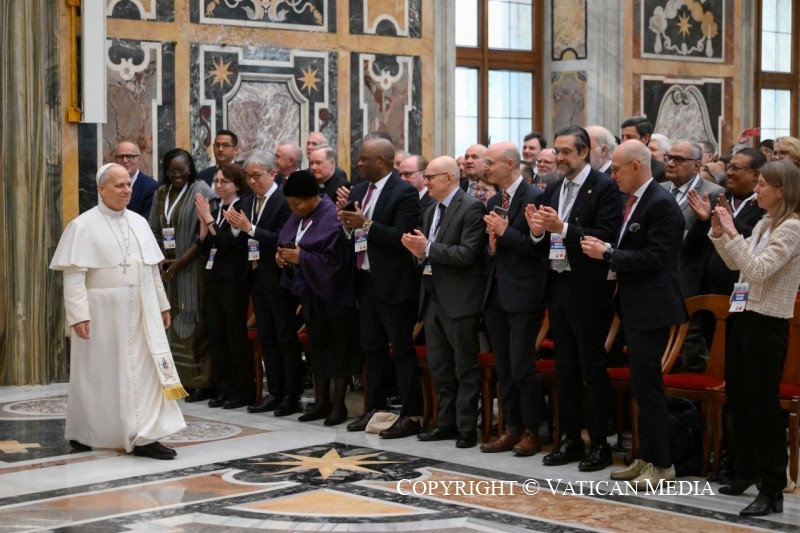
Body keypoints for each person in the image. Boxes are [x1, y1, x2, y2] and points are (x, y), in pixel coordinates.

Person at [50, 163, 186, 460]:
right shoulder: (82, 226)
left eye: (128, 185)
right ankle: (88, 431)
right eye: (119, 185)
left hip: (141, 311)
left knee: (143, 373)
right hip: (102, 313)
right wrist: (78, 315)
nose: (127, 190)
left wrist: (162, 305)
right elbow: (73, 275)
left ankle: (145, 435)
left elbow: (151, 269)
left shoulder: (138, 222)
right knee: (98, 375)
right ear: (101, 189)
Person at [581, 140, 686, 485]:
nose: (612, 176)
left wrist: (608, 254)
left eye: (616, 169)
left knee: (649, 386)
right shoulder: (638, 201)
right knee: (641, 386)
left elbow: (655, 259)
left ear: (637, 167)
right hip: (633, 304)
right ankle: (645, 457)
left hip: (652, 306)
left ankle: (663, 464)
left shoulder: (661, 204)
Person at [528, 126, 623, 471]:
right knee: (565, 368)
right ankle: (569, 438)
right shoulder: (553, 188)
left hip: (590, 289)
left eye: (566, 151)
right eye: (557, 150)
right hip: (558, 285)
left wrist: (562, 229)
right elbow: (544, 237)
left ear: (584, 153)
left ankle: (599, 443)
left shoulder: (604, 188)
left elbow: (608, 237)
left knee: (592, 369)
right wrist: (538, 232)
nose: (559, 157)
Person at [709, 159, 800, 517]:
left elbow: (759, 270)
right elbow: (737, 265)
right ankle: (745, 469)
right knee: (740, 398)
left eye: (763, 184)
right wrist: (719, 232)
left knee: (763, 406)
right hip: (744, 315)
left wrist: (732, 233)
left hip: (768, 322)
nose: (757, 189)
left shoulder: (792, 228)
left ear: (782, 190)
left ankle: (773, 487)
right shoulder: (765, 222)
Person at [338, 138, 423, 439]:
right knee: (372, 348)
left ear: (383, 162)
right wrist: (348, 224)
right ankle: (375, 408)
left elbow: (402, 236)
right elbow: (352, 234)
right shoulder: (360, 190)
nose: (358, 164)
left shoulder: (405, 192)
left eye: (364, 160)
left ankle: (411, 412)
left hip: (395, 284)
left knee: (401, 349)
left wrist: (365, 224)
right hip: (365, 280)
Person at [402, 156, 487, 449]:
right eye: (425, 177)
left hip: (460, 299)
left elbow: (468, 254)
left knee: (465, 366)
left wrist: (427, 248)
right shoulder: (430, 209)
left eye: (431, 177)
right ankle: (445, 422)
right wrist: (417, 252)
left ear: (450, 177)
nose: (426, 182)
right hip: (433, 297)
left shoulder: (471, 207)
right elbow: (428, 253)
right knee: (440, 367)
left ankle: (466, 428)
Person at [277, 170, 361, 425]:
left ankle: (338, 406)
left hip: (336, 295)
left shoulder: (330, 217)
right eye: (290, 204)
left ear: (313, 197)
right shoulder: (300, 215)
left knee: (338, 351)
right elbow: (289, 241)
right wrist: (283, 256)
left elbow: (334, 262)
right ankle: (320, 403)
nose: (294, 209)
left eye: (298, 203)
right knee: (317, 350)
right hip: (312, 294)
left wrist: (300, 258)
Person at [480, 142, 547, 457]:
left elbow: (539, 250)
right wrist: (493, 243)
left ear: (510, 163)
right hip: (495, 293)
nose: (485, 168)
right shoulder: (494, 199)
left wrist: (506, 233)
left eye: (490, 163)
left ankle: (533, 430)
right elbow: (492, 249)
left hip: (524, 294)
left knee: (522, 366)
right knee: (503, 367)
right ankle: (511, 428)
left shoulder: (535, 197)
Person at [224, 153, 303, 417]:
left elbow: (282, 238)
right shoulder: (247, 201)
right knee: (267, 337)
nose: (252, 180)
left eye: (257, 175)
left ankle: (291, 395)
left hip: (279, 278)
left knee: (284, 337)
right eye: (248, 176)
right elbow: (240, 242)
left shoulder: (283, 202)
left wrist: (250, 228)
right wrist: (237, 229)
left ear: (272, 174)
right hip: (256, 277)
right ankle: (275, 392)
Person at [148, 148, 216, 400]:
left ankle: (200, 381)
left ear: (191, 168)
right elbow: (153, 228)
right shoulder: (161, 193)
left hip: (193, 268)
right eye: (172, 171)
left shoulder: (203, 190)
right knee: (169, 325)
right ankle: (175, 381)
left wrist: (182, 260)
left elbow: (206, 233)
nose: (177, 175)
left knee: (193, 322)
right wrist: (161, 259)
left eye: (182, 170)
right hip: (167, 270)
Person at [194, 163, 254, 410]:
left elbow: (228, 243)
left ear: (237, 185)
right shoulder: (217, 208)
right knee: (216, 335)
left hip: (233, 279)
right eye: (216, 181)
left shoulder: (241, 208)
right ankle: (222, 388)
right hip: (213, 276)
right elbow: (205, 243)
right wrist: (204, 222)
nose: (218, 186)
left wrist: (208, 220)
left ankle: (240, 391)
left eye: (224, 182)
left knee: (234, 336)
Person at [664, 139, 724, 371]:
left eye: (679, 159)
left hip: (691, 277)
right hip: (660, 276)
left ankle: (692, 403)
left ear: (697, 165)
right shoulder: (659, 189)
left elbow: (710, 240)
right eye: (669, 157)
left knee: (691, 341)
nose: (670, 163)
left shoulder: (714, 193)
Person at [703, 148, 766, 296]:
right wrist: (702, 220)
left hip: (744, 285)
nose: (729, 172)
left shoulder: (764, 204)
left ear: (756, 174)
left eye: (736, 168)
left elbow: (758, 239)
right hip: (711, 286)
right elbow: (700, 244)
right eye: (729, 167)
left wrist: (733, 222)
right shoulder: (718, 198)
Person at [114, 141, 159, 218]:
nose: (125, 160)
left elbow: (148, 220)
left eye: (130, 156)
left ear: (139, 159)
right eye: (121, 157)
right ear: (115, 160)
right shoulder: (110, 185)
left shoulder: (151, 187)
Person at [620, 116, 667, 182]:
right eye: (622, 137)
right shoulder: (617, 166)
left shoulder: (661, 171)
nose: (623, 142)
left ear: (645, 139)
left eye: (629, 137)